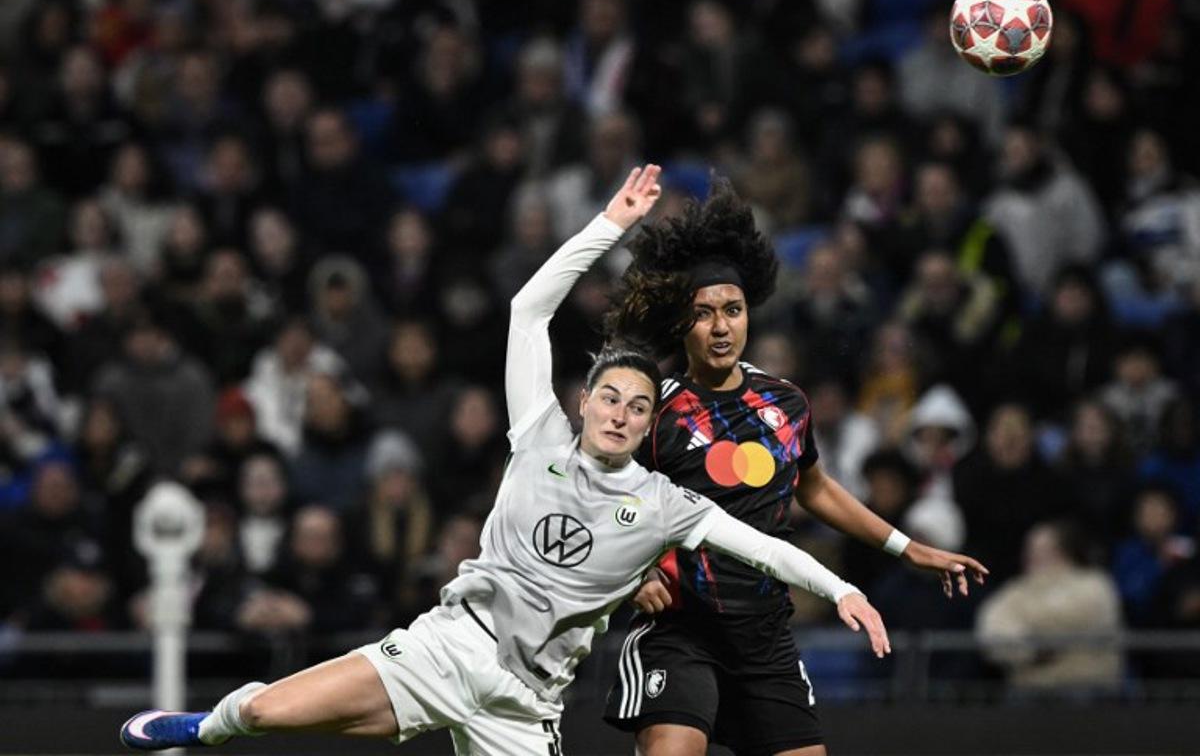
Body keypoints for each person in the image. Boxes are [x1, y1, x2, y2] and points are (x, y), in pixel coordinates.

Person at [118, 165, 889, 753]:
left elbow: (759, 544)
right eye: (609, 398)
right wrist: (607, 225)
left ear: (653, 421)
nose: (621, 413)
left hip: (524, 707)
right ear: (582, 403)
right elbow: (528, 310)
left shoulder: (665, 503)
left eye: (639, 406)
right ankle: (199, 728)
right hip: (446, 650)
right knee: (260, 713)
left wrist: (843, 587)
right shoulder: (538, 435)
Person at [602, 179, 988, 756]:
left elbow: (817, 489)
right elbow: (599, 497)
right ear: (681, 322)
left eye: (732, 310)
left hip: (764, 633)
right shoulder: (652, 406)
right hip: (680, 629)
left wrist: (910, 549)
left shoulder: (785, 404)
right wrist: (634, 574)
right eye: (703, 313)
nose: (721, 326)